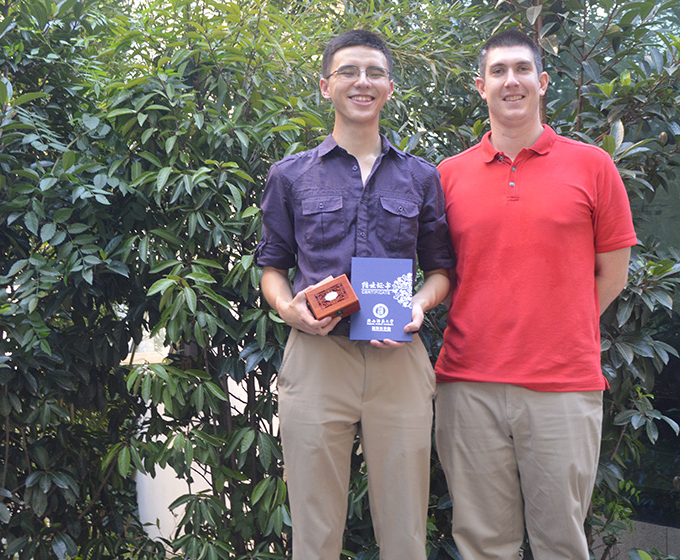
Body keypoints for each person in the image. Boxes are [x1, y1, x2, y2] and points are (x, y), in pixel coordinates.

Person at [433, 30, 637, 559]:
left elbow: (612, 275)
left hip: (562, 386)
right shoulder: (447, 177)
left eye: (522, 69)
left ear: (542, 82)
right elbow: (440, 273)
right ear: (481, 87)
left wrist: (556, 327)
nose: (511, 81)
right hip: (467, 385)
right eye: (498, 71)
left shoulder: (593, 166)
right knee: (481, 544)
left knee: (561, 543)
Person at [254, 29, 454, 559]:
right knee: (315, 530)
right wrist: (286, 308)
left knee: (406, 527)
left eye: (373, 73)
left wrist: (419, 303)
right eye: (347, 71)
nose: (361, 82)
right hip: (318, 360)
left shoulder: (420, 177)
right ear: (325, 86)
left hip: (399, 362)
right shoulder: (290, 175)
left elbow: (441, 271)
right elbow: (271, 266)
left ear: (389, 87)